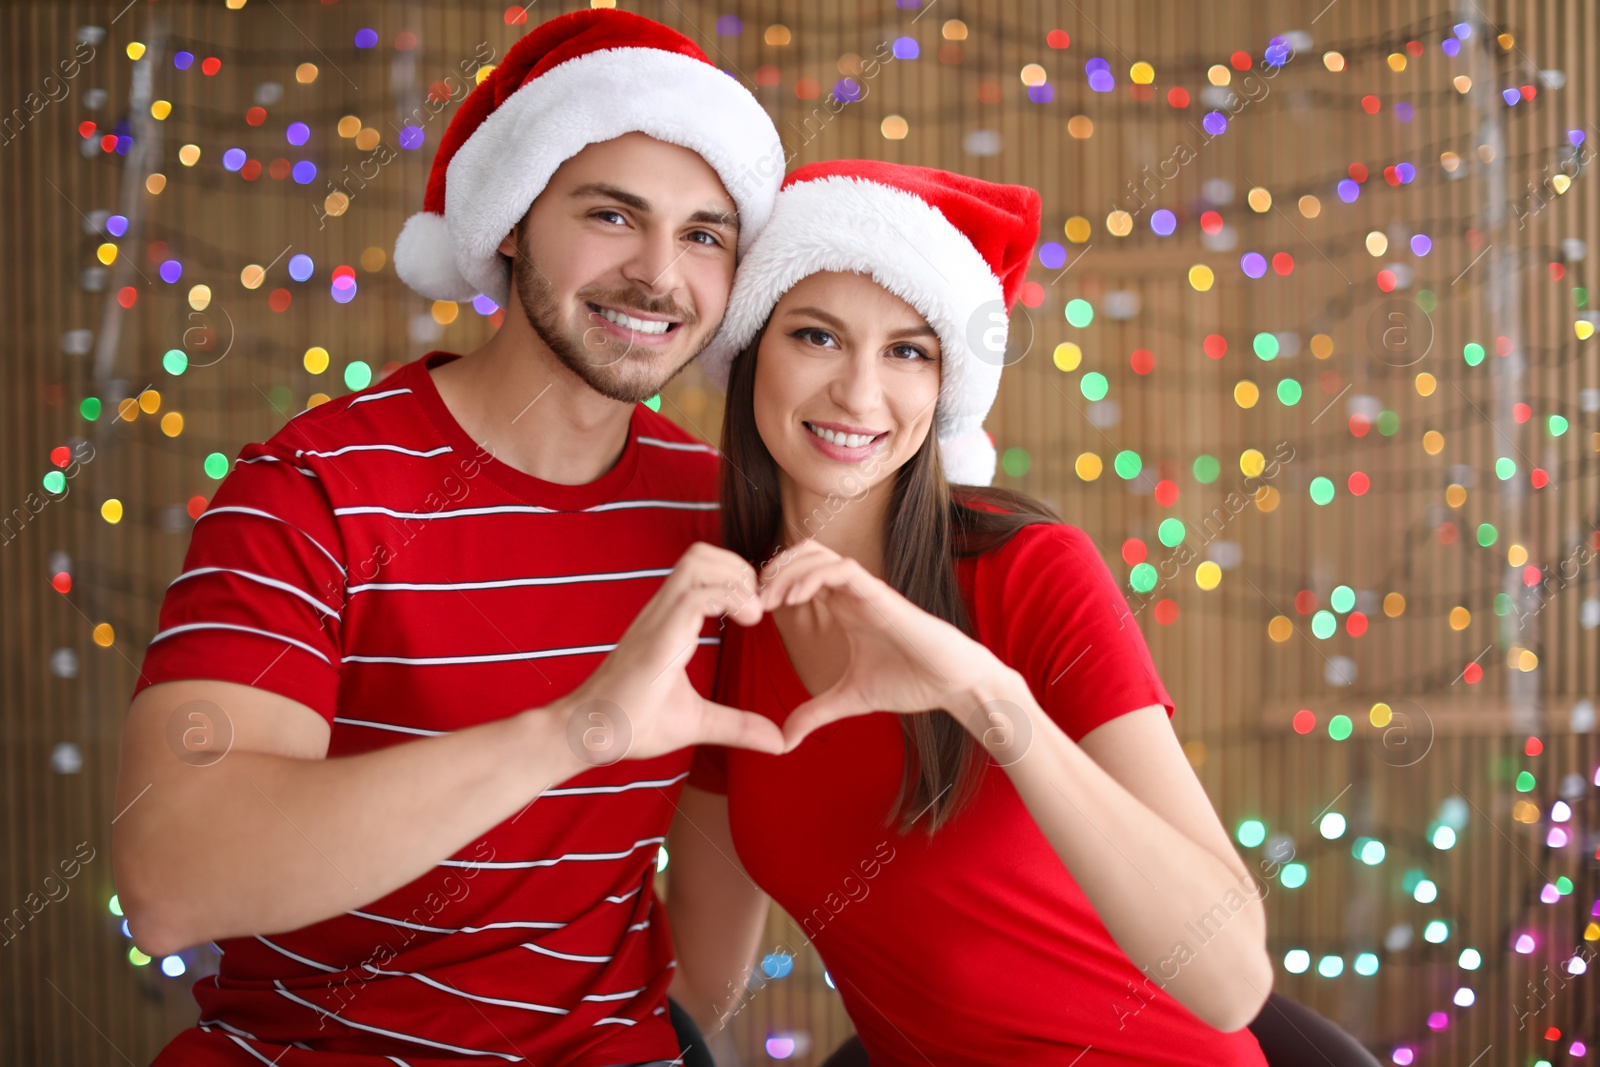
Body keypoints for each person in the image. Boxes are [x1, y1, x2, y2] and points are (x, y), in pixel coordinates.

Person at [110, 10, 784, 1066]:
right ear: (511, 220)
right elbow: (169, 880)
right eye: (612, 215)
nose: (660, 274)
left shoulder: (718, 519)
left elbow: (706, 938)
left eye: (704, 234)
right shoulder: (313, 493)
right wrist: (575, 731)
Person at [662, 161, 1277, 1065]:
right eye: (817, 336)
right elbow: (700, 985)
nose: (860, 394)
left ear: (946, 386)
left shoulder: (1027, 572)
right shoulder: (724, 617)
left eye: (908, 350)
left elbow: (1232, 982)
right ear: (753, 347)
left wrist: (993, 700)